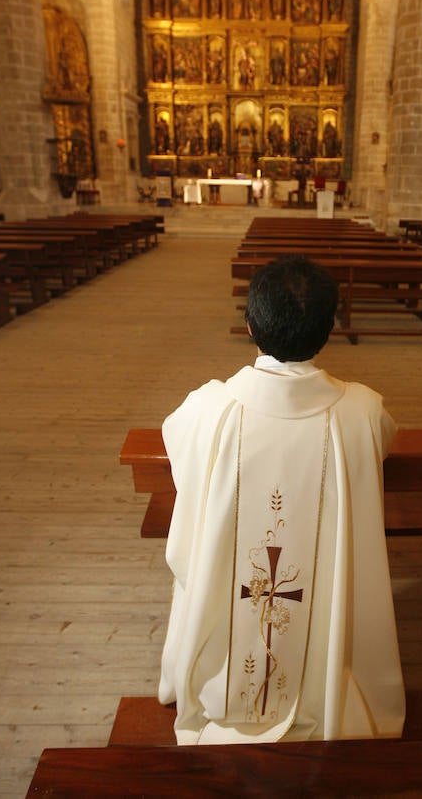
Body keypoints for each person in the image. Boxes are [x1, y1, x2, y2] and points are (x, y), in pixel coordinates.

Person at [158, 255, 405, 745]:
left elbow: (175, 441)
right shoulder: (362, 409)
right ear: (330, 328)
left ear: (249, 324)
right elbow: (384, 442)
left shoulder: (207, 409)